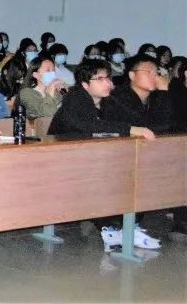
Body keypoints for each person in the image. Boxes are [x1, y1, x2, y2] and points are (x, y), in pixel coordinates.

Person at [44, 60, 160, 252]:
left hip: (91, 158)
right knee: (111, 176)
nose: (108, 83)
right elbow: (89, 126)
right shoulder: (75, 99)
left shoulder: (108, 99)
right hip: (61, 160)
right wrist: (131, 129)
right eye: (100, 79)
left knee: (133, 171)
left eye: (108, 78)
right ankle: (113, 228)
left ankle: (125, 226)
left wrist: (141, 127)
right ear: (85, 85)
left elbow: (135, 119)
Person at [105, 55, 173, 133]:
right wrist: (164, 92)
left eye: (156, 72)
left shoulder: (156, 96)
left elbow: (174, 124)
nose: (154, 76)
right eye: (148, 72)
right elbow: (146, 127)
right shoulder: (117, 97)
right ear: (132, 75)